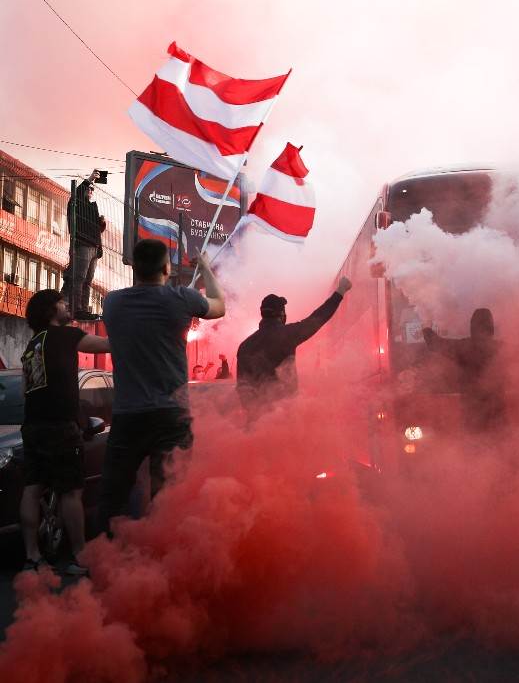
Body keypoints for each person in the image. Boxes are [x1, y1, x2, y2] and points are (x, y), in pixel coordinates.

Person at [97, 240, 225, 535]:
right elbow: (219, 307)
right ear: (167, 268)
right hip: (171, 415)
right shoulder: (181, 298)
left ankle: (104, 562)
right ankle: (163, 563)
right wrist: (205, 267)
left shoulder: (112, 303)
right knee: (169, 495)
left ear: (135, 267)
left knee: (112, 495)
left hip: (128, 414)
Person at [19, 289, 110, 575]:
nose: (66, 304)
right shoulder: (67, 336)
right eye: (60, 302)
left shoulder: (31, 346)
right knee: (71, 492)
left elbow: (26, 390)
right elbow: (107, 346)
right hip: (61, 426)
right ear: (51, 311)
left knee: (32, 490)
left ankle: (32, 557)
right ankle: (80, 556)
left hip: (32, 427)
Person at [236, 278, 351, 418]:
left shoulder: (245, 346)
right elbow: (318, 318)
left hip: (257, 422)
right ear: (281, 314)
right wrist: (340, 292)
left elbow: (243, 389)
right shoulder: (287, 335)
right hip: (286, 417)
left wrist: (255, 415)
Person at [422, 308, 506, 433]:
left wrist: (426, 325)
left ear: (472, 326)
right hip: (498, 413)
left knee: (475, 447)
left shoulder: (464, 347)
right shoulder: (502, 348)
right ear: (491, 326)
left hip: (473, 413)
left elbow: (435, 343)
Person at [60, 169, 106, 319]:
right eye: (89, 188)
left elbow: (96, 230)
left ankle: (83, 309)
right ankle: (77, 308)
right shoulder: (75, 203)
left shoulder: (91, 207)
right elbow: (78, 192)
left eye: (92, 189)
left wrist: (101, 224)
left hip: (94, 246)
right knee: (79, 278)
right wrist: (90, 179)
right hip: (83, 244)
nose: (91, 191)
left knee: (87, 280)